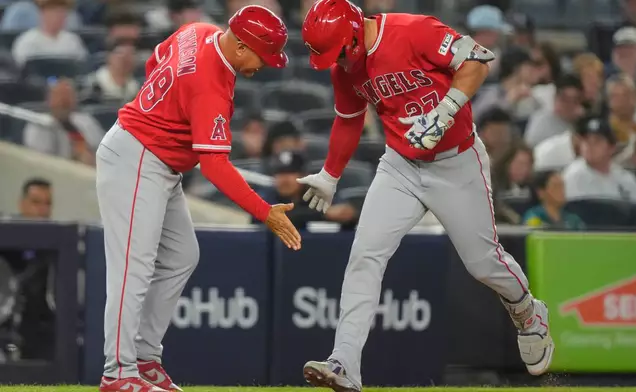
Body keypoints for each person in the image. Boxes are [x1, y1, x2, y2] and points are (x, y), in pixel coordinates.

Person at [296, 1, 554, 391]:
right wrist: (330, 175)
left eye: (339, 52)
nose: (340, 63)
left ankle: (528, 312)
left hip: (457, 162)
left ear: (352, 32)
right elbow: (349, 120)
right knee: (365, 255)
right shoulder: (344, 67)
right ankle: (344, 362)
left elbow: (478, 62)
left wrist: (446, 110)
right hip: (400, 165)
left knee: (483, 264)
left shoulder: (412, 30)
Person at [95, 7, 301, 392]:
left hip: (155, 157)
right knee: (132, 268)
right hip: (137, 156)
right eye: (263, 54)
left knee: (181, 256)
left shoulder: (199, 30)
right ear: (241, 45)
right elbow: (214, 167)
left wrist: (164, 109)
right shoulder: (210, 81)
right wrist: (264, 211)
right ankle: (118, 373)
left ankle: (143, 358)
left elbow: (158, 58)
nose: (266, 65)